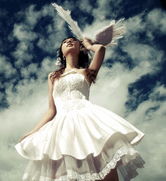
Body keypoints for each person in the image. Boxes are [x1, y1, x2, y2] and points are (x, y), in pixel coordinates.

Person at [15, 37, 145, 181]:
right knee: (64, 169)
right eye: (65, 42)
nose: (69, 42)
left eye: (73, 41)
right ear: (62, 53)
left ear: (80, 47)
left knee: (105, 165)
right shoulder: (52, 77)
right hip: (63, 125)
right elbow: (51, 110)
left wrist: (89, 45)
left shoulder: (86, 72)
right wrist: (33, 131)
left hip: (87, 119)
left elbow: (101, 49)